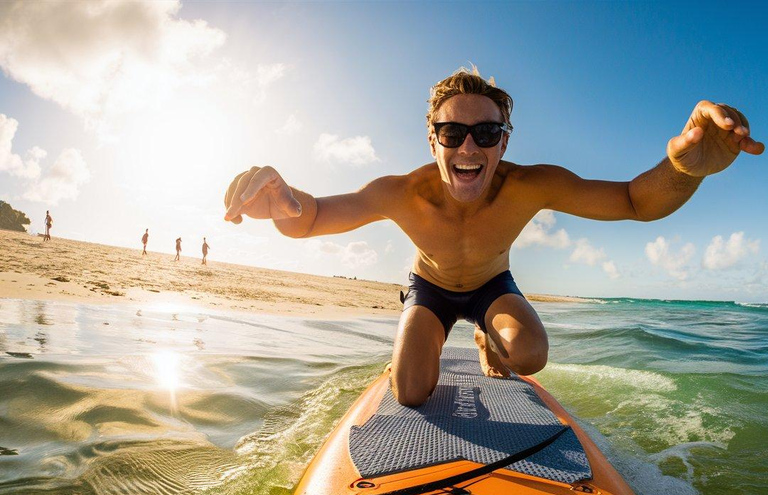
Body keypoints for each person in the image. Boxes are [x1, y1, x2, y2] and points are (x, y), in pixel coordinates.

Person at [223, 68, 763, 407]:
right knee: (410, 391)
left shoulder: (529, 186)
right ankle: (421, 336)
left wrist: (684, 169)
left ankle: (486, 335)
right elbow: (312, 217)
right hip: (428, 287)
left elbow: (634, 202)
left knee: (530, 355)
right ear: (432, 139)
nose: (468, 149)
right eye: (452, 133)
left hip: (491, 286)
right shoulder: (400, 192)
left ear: (504, 141)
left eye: (486, 134)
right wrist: (281, 203)